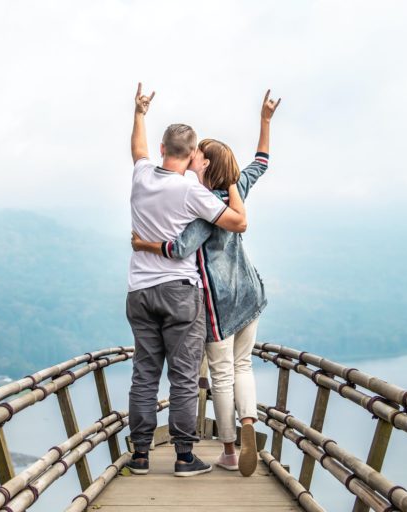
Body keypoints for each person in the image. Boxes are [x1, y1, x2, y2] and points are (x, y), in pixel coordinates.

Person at [131, 90, 281, 477]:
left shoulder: (174, 189)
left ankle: (213, 450)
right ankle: (228, 433)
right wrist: (265, 120)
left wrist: (142, 243)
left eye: (201, 156)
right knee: (233, 367)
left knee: (204, 374)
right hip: (241, 294)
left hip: (193, 299)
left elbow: (180, 246)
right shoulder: (220, 190)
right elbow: (259, 165)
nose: (196, 158)